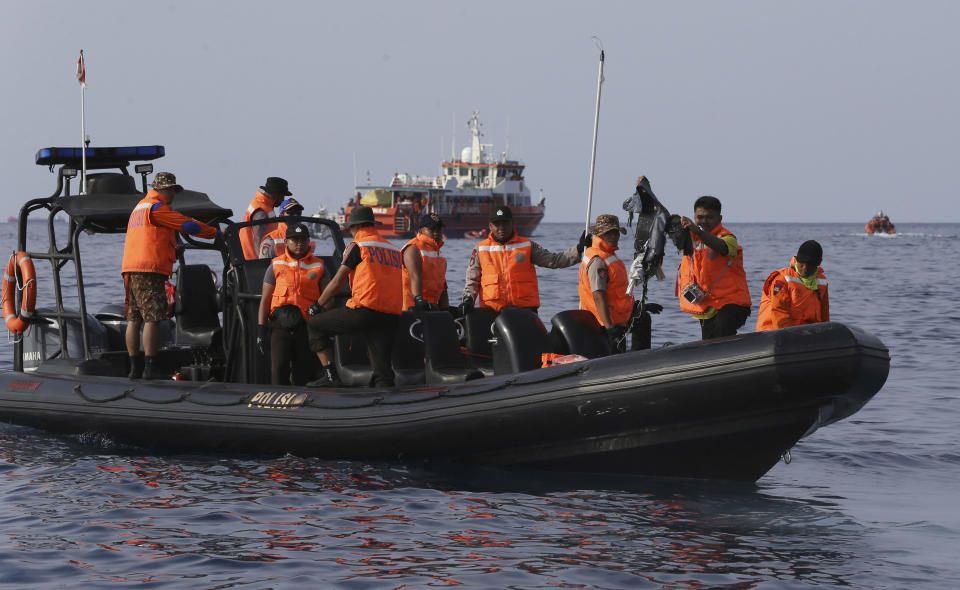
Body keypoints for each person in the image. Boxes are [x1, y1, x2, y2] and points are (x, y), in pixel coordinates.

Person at [121, 172, 220, 379]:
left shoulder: (140, 207)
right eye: (172, 190)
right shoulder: (157, 208)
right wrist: (216, 233)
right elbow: (188, 225)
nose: (174, 195)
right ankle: (150, 368)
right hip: (149, 269)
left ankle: (133, 369)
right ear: (162, 189)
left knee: (134, 318)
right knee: (153, 319)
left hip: (131, 268)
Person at [306, 205, 402, 387]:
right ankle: (386, 400)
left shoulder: (358, 246)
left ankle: (331, 377)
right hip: (391, 314)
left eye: (350, 228)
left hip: (364, 311)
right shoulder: (392, 249)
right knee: (382, 369)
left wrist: (317, 305)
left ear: (356, 227)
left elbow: (336, 281)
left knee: (315, 325)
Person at [460, 205, 589, 314]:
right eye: (497, 224)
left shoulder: (527, 245)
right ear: (490, 226)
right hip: (492, 312)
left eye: (505, 223)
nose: (501, 227)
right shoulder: (481, 249)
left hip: (525, 311)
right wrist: (468, 300)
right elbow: (472, 279)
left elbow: (554, 261)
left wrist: (578, 249)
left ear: (512, 223)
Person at [257, 223, 330, 385]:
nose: (299, 243)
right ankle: (277, 406)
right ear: (286, 242)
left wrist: (320, 320)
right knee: (278, 370)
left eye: (303, 239)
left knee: (301, 373)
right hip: (279, 326)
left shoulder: (319, 266)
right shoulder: (275, 265)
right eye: (295, 240)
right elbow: (265, 300)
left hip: (306, 327)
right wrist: (261, 331)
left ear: (309, 241)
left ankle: (300, 407)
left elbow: (328, 297)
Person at [677, 196, 752, 339]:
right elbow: (667, 223)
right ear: (694, 217)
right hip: (706, 305)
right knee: (709, 344)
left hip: (732, 304)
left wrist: (697, 231)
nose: (704, 221)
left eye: (709, 217)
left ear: (720, 218)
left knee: (722, 327)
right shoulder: (689, 239)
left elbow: (721, 247)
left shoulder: (728, 238)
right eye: (700, 217)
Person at [578, 215, 635, 353]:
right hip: (604, 327)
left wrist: (635, 308)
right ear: (599, 234)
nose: (614, 236)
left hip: (617, 322)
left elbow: (616, 292)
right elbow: (598, 296)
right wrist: (610, 329)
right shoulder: (598, 260)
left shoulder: (608, 255)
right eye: (608, 233)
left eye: (616, 232)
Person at [757, 240, 829, 331]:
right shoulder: (782, 280)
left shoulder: (821, 282)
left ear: (817, 264)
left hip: (805, 333)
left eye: (810, 264)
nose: (805, 268)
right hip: (774, 333)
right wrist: (789, 337)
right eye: (802, 263)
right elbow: (779, 312)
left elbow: (824, 315)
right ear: (797, 260)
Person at [401, 213, 448, 312]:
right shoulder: (413, 249)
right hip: (411, 309)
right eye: (432, 229)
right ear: (421, 230)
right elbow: (415, 277)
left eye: (438, 229)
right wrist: (419, 300)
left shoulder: (439, 254)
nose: (436, 233)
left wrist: (446, 310)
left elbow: (443, 287)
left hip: (432, 310)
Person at [239, 177, 289, 259]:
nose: (283, 200)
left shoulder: (261, 205)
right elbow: (258, 237)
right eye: (283, 196)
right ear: (276, 194)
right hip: (252, 263)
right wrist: (261, 262)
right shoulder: (261, 211)